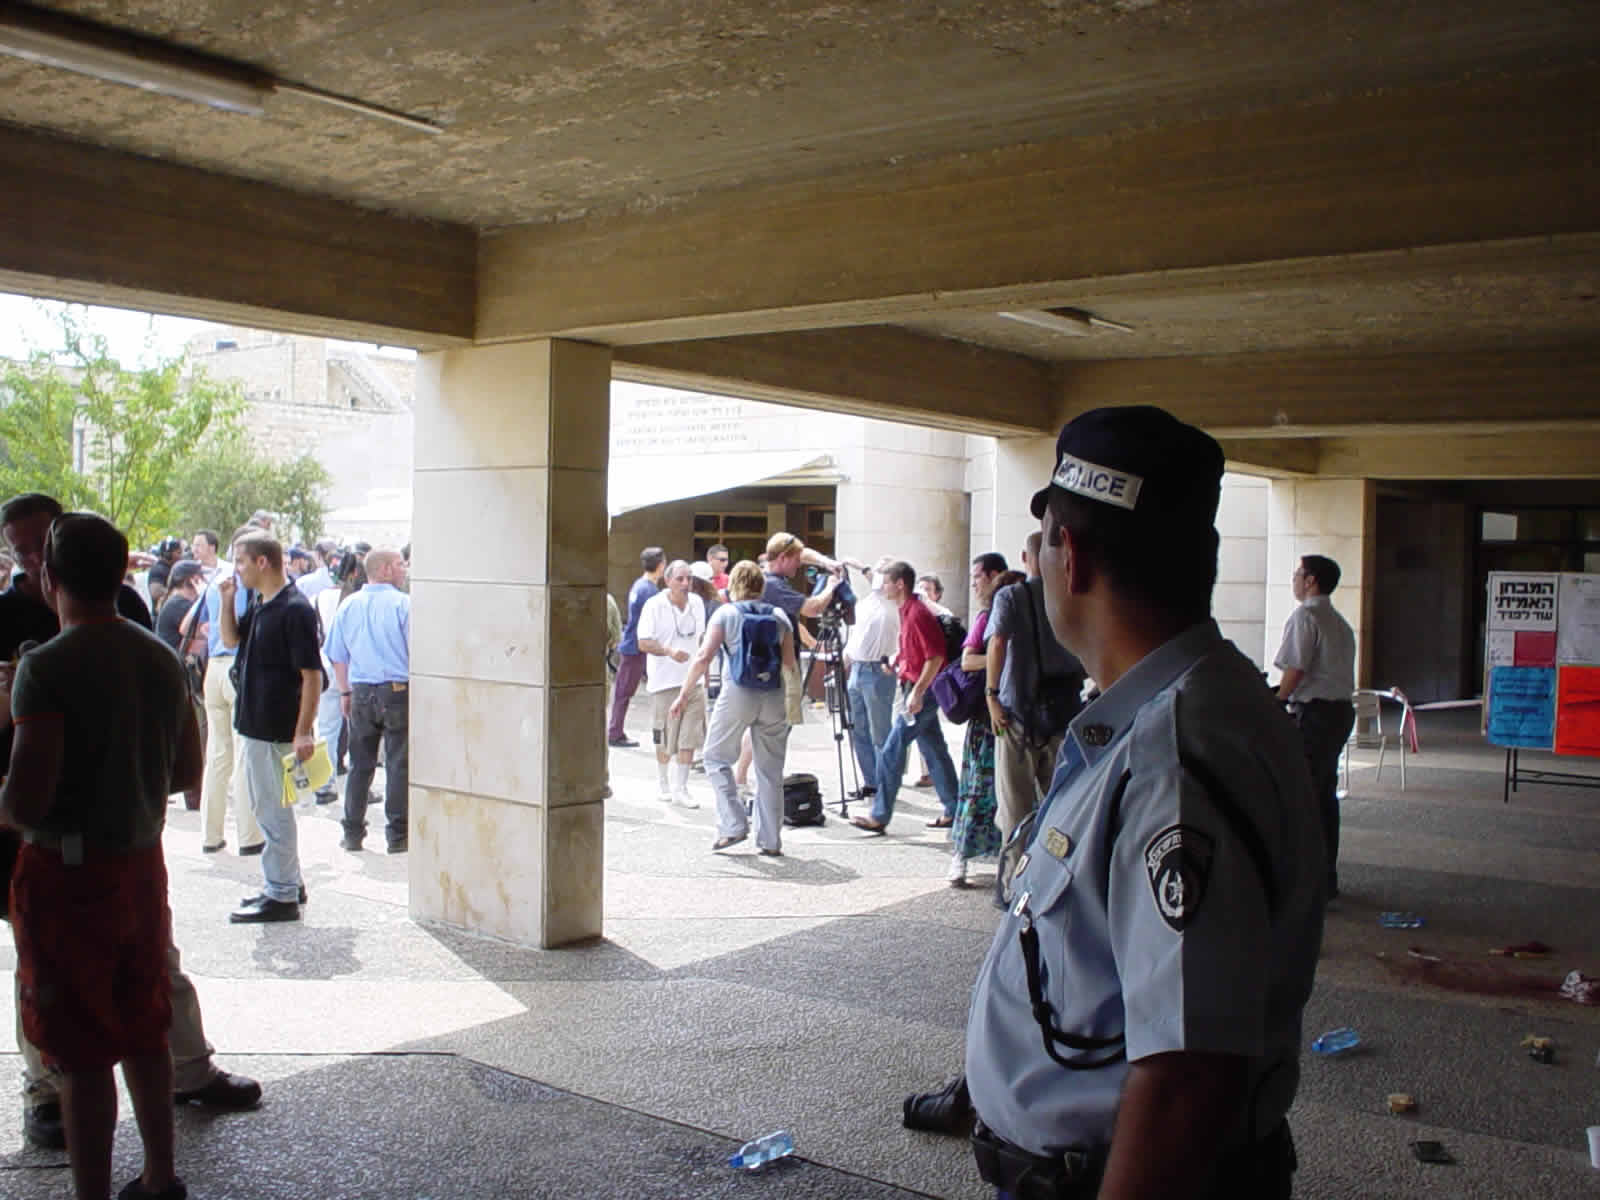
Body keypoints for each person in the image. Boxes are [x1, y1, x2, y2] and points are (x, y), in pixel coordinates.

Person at [964, 406, 1323, 1199]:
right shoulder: (1181, 712)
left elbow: (1189, 1075)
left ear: (1075, 557)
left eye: (1046, 542)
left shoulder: (1173, 757)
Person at [0, 495, 260, 1155]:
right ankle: (156, 1169)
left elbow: (27, 802)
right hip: (138, 853)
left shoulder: (43, 666)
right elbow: (186, 770)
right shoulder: (152, 650)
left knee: (79, 1040)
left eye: (38, 549)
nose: (28, 562)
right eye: (18, 549)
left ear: (56, 570)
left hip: (64, 859)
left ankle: (92, 1156)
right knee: (141, 1011)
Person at [220, 530, 321, 923]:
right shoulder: (262, 603)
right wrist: (228, 600)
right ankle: (287, 883)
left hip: (274, 726)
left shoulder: (293, 609)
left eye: (241, 561)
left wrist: (303, 730)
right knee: (273, 807)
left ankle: (280, 894)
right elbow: (232, 640)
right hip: (259, 722)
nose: (237, 570)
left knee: (272, 810)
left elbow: (311, 674)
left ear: (262, 562)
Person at [673, 560, 797, 856]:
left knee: (715, 757)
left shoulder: (727, 614)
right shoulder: (780, 616)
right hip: (774, 695)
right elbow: (790, 664)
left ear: (734, 584)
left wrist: (684, 693)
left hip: (738, 692)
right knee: (770, 771)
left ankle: (733, 823)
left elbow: (704, 656)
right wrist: (791, 705)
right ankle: (770, 840)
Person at [985, 529, 1088, 844]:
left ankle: (1015, 883)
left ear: (1025, 559)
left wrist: (991, 695)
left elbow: (998, 642)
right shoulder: (1075, 597)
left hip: (1018, 714)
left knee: (1015, 807)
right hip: (1065, 711)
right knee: (1063, 804)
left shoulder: (1011, 596)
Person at [850, 561, 959, 834]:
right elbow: (917, 653)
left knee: (891, 750)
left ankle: (879, 815)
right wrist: (897, 663)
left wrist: (918, 693)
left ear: (899, 584)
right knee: (934, 749)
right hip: (916, 686)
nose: (882, 586)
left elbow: (935, 658)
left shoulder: (918, 613)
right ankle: (954, 809)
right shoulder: (906, 611)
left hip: (924, 690)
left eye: (886, 581)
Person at [1275, 553, 1357, 899]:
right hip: (1339, 712)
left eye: (1298, 573)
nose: (1293, 578)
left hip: (1315, 714)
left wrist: (1276, 701)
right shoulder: (1339, 622)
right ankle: (1325, 878)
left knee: (1302, 795)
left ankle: (1305, 882)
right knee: (1323, 795)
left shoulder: (1305, 616)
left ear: (1310, 580)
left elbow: (1295, 669)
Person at [326, 548, 411, 853]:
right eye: (401, 564)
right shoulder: (404, 605)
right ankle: (397, 835)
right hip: (397, 690)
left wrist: (344, 691)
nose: (405, 569)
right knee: (398, 763)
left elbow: (336, 653)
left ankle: (352, 831)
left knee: (359, 764)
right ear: (386, 569)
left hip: (361, 690)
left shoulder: (349, 605)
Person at [193, 525, 261, 856]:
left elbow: (206, 626)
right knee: (243, 753)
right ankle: (249, 836)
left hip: (214, 669)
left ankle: (211, 833)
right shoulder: (243, 583)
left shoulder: (213, 582)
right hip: (237, 668)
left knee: (218, 755)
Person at [947, 556, 1012, 887]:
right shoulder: (986, 619)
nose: (974, 584)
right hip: (987, 720)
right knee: (977, 790)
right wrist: (1004, 657)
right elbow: (968, 659)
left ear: (994, 577)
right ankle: (960, 856)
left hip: (1014, 716)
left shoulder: (1018, 610)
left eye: (978, 578)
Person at [637, 560, 707, 808]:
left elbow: (702, 640)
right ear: (668, 581)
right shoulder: (654, 605)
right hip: (663, 682)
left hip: (692, 682)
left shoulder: (697, 603)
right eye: (680, 579)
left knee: (690, 736)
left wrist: (704, 675)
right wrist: (668, 651)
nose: (686, 584)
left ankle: (682, 788)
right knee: (664, 736)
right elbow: (643, 642)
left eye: (689, 578)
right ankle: (663, 782)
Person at [841, 555, 900, 803]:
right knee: (858, 729)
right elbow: (854, 639)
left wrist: (859, 565)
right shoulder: (867, 603)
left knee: (880, 732)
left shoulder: (893, 604)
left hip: (878, 670)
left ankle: (886, 783)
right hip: (857, 668)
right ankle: (871, 782)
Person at [608, 547, 666, 748]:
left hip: (633, 645)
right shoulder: (650, 591)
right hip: (638, 648)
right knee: (625, 692)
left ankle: (616, 731)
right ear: (661, 566)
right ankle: (615, 732)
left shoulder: (639, 586)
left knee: (624, 691)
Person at [155, 560, 206, 651]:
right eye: (201, 576)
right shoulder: (178, 604)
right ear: (192, 579)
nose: (205, 579)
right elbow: (202, 632)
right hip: (172, 661)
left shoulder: (178, 600)